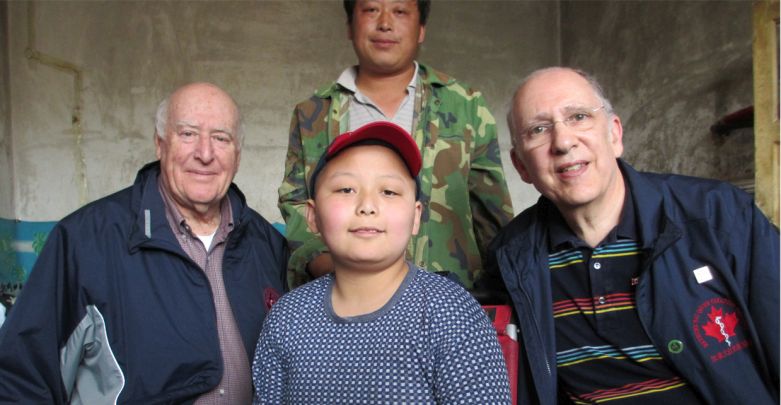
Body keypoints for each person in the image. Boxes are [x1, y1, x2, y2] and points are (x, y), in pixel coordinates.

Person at [485, 67, 780, 404]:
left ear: (614, 135)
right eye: (538, 129)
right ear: (521, 166)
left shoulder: (719, 216)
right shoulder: (513, 258)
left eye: (579, 117)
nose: (563, 142)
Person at [0, 83, 288, 404]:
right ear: (160, 144)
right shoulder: (84, 241)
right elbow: (21, 380)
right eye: (188, 134)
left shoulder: (267, 244)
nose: (205, 154)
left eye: (221, 138)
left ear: (237, 155)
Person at [253, 121, 511, 403]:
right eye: (346, 189)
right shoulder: (286, 319)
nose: (367, 205)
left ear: (415, 217)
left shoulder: (452, 314)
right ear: (312, 216)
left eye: (388, 191)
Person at [279, 0, 514, 290]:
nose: (385, 23)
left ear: (421, 28)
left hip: (448, 300)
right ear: (350, 26)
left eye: (400, 11)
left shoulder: (466, 106)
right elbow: (298, 205)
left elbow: (493, 219)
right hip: (345, 302)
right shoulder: (314, 113)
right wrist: (336, 272)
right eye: (371, 10)